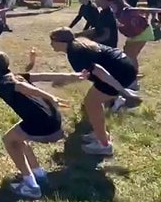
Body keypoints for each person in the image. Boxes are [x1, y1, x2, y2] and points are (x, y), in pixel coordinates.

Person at [27, 27, 140, 156]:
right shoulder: (77, 45)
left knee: (92, 103)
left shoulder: (75, 52)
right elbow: (87, 73)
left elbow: (98, 71)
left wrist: (121, 90)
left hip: (119, 73)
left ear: (60, 41)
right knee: (91, 102)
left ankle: (104, 145)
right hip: (123, 66)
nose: (51, 44)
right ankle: (100, 134)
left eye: (52, 41)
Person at [0, 51, 67, 199]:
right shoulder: (14, 75)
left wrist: (51, 96)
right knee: (18, 138)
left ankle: (31, 186)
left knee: (9, 141)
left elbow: (21, 87)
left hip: (41, 122)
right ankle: (38, 174)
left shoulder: (1, 83)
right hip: (52, 118)